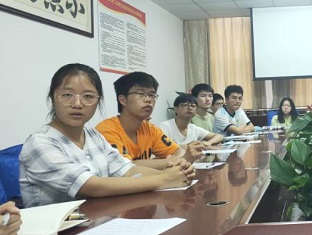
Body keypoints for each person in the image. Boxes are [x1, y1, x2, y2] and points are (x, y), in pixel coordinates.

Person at [20, 64, 194, 207]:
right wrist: (164, 179)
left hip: (98, 222)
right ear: (53, 97)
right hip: (58, 234)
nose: (78, 104)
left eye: (88, 96)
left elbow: (127, 169)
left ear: (98, 102)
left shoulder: (94, 136)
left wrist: (177, 173)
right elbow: (91, 186)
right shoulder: (39, 143)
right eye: (67, 95)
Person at [96, 71, 204, 168]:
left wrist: (175, 159)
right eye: (140, 94)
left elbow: (178, 152)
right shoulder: (107, 130)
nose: (148, 99)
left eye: (152, 95)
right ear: (123, 100)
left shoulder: (150, 129)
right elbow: (125, 167)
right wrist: (171, 161)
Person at [159, 94, 224, 146]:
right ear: (176, 109)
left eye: (193, 106)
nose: (190, 108)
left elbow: (220, 136)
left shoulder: (193, 128)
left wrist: (208, 143)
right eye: (185, 105)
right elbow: (163, 147)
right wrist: (187, 146)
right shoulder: (166, 126)